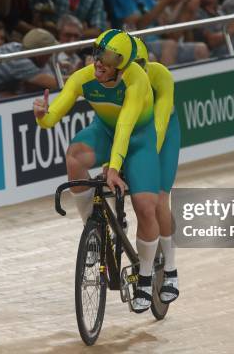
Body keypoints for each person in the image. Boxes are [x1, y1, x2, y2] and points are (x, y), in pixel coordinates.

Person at [32, 29, 160, 313]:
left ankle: (147, 277)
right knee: (74, 157)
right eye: (96, 55)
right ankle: (94, 229)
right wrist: (42, 115)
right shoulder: (83, 77)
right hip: (105, 131)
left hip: (139, 138)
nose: (99, 64)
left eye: (107, 61)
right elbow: (53, 117)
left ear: (123, 66)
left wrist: (114, 168)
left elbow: (126, 125)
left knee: (144, 205)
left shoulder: (136, 80)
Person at [132, 36, 180, 304]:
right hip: (137, 134)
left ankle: (169, 270)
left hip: (164, 133)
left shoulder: (160, 74)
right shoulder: (117, 79)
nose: (137, 70)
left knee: (160, 198)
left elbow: (159, 127)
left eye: (142, 64)